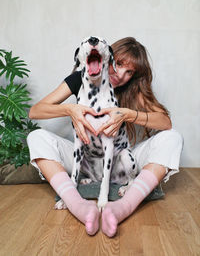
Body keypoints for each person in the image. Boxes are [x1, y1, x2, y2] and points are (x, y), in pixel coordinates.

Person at [27, 37, 183, 237]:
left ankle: (123, 206)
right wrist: (70, 109)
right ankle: (77, 204)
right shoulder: (79, 78)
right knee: (37, 137)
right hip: (86, 159)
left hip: (120, 159)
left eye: (130, 72)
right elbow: (35, 111)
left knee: (173, 138)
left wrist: (128, 114)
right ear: (106, 55)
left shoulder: (131, 88)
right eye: (118, 64)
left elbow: (165, 122)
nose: (121, 75)